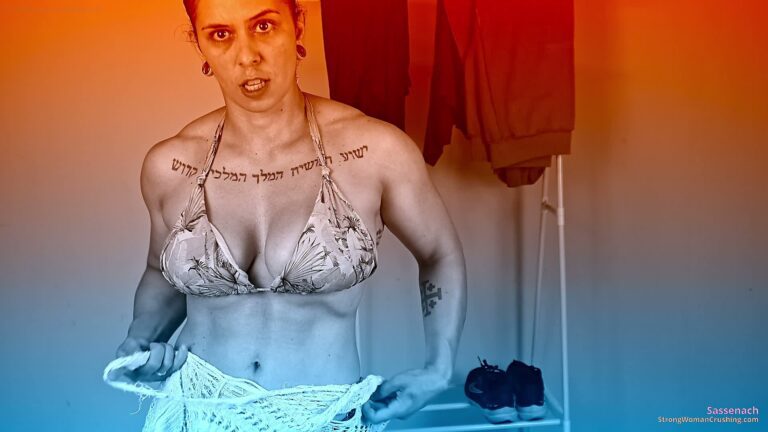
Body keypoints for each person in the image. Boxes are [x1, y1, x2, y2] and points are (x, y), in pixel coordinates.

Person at [109, 0, 467, 430]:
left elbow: (439, 254)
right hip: (196, 413)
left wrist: (438, 368)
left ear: (297, 25)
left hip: (321, 417)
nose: (247, 56)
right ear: (199, 45)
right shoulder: (172, 166)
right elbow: (159, 271)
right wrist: (139, 340)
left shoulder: (374, 152)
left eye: (263, 26)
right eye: (221, 34)